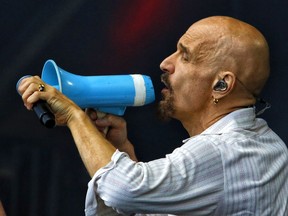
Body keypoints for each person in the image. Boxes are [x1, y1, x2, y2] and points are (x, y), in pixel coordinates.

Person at [18, 16, 288, 215]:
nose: (165, 63)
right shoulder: (267, 145)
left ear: (221, 85)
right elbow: (136, 199)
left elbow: (123, 190)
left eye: (185, 56)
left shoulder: (223, 150)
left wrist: (75, 116)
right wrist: (120, 152)